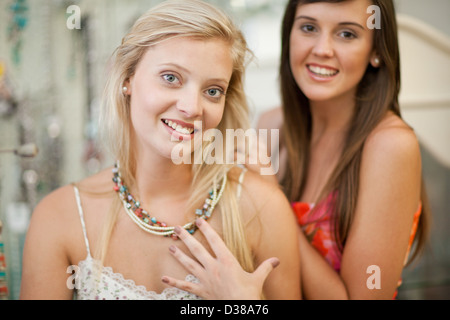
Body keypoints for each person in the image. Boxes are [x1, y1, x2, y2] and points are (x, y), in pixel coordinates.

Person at [19, 0, 301, 300]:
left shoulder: (261, 207)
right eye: (171, 78)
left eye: (212, 91)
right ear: (127, 78)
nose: (192, 107)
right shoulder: (59, 216)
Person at [163, 0, 430, 299]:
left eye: (347, 34)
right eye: (308, 27)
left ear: (377, 51)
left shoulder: (391, 146)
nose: (322, 49)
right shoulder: (273, 125)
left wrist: (271, 198)